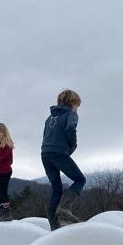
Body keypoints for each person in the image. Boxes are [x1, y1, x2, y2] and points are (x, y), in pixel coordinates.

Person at [41, 89, 86, 230]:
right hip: (58, 152)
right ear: (73, 103)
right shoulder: (71, 114)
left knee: (57, 188)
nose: (77, 108)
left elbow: (45, 136)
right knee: (80, 180)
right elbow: (71, 129)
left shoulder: (49, 118)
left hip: (45, 153)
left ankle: (54, 226)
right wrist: (72, 145)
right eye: (77, 105)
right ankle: (64, 209)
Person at [0, 123, 14, 221]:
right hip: (1, 171)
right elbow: (10, 160)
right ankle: (4, 213)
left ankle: (6, 214)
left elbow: (7, 158)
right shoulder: (1, 146)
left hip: (5, 171)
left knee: (2, 192)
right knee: (0, 192)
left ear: (4, 133)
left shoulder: (7, 145)